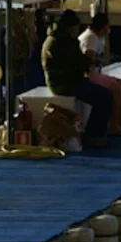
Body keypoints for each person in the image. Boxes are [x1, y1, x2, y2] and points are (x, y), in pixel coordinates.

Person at [43, 10, 114, 149]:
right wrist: (89, 62)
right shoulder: (63, 42)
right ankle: (93, 135)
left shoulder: (57, 39)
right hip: (65, 83)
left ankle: (95, 134)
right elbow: (77, 61)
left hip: (65, 80)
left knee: (103, 94)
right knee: (105, 96)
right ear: (71, 27)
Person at [78, 13, 121, 137]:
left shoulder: (95, 36)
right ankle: (113, 126)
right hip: (89, 75)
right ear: (105, 26)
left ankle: (120, 122)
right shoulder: (91, 38)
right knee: (116, 89)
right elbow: (89, 60)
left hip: (95, 73)